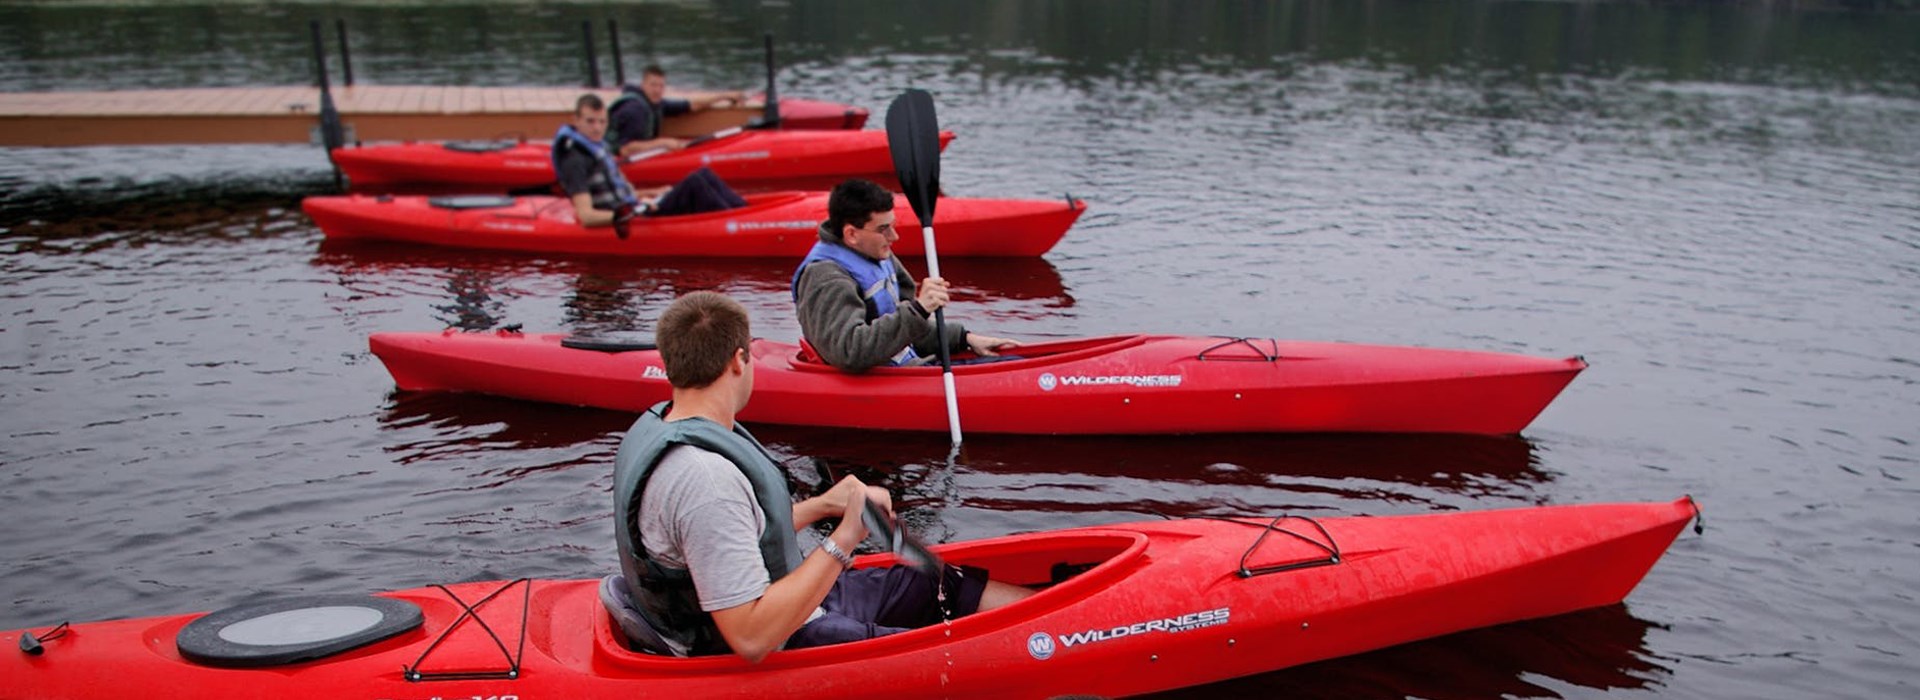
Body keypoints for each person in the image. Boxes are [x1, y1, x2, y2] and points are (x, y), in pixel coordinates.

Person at [611, 291, 1033, 662]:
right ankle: (1048, 647)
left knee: (933, 583)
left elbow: (727, 534)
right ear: (739, 361)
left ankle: (1050, 621)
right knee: (942, 652)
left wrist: (823, 505)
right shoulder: (704, 478)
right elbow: (751, 638)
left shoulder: (669, 425)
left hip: (788, 598)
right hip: (777, 637)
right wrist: (844, 537)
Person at [791, 179, 1019, 372]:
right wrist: (919, 310)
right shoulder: (827, 278)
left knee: (1016, 362)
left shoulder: (876, 255)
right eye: (883, 229)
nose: (895, 236)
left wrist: (962, 338)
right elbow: (848, 352)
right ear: (851, 234)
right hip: (883, 381)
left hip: (907, 367)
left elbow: (907, 330)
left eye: (893, 225)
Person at [553, 94, 746, 239]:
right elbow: (586, 216)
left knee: (704, 175)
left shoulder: (598, 147)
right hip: (628, 220)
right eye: (590, 121)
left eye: (602, 122)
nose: (597, 128)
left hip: (634, 209)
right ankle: (742, 228)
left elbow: (621, 194)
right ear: (576, 120)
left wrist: (653, 192)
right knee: (695, 185)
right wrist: (632, 212)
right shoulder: (574, 159)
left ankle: (746, 214)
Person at [608, 64, 747, 158]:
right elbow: (625, 149)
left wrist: (724, 96)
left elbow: (691, 105)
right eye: (653, 85)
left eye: (661, 86)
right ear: (643, 85)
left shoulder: (656, 103)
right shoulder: (634, 110)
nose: (657, 90)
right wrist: (663, 143)